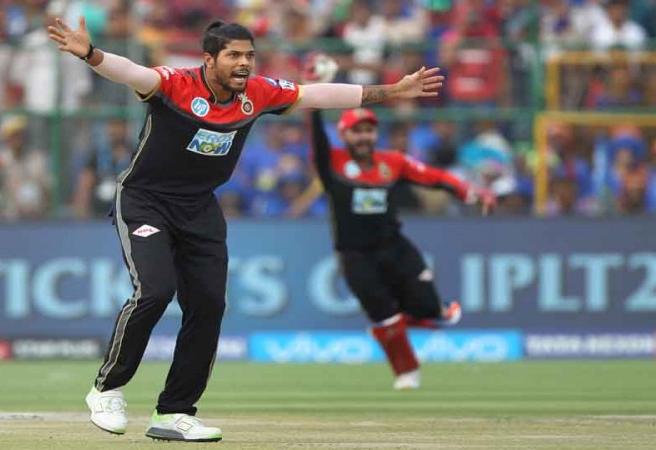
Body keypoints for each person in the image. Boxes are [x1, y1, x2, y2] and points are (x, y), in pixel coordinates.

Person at [47, 17, 444, 442]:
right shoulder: (177, 84)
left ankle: (175, 412)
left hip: (199, 208)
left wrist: (392, 92)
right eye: (233, 55)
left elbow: (315, 94)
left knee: (209, 305)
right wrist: (90, 54)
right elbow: (132, 72)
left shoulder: (256, 94)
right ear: (209, 59)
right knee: (156, 291)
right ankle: (107, 389)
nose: (244, 64)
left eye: (249, 56)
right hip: (146, 201)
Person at [304, 61, 495, 391]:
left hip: (395, 247)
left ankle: (405, 321)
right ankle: (406, 371)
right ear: (344, 134)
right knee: (384, 315)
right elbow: (315, 133)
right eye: (357, 131)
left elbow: (433, 178)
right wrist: (314, 97)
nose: (364, 137)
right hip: (354, 255)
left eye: (369, 130)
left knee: (429, 309)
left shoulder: (392, 163)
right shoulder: (332, 163)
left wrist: (470, 192)